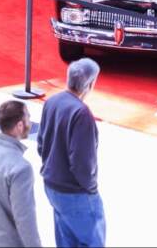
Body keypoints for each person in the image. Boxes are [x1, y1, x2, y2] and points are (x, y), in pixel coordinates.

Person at [38, 58, 104, 248]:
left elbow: (41, 143)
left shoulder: (52, 102)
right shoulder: (81, 113)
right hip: (75, 192)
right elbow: (83, 162)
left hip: (52, 185)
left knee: (65, 240)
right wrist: (90, 188)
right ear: (90, 84)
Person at [0, 100, 41, 247]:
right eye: (28, 117)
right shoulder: (21, 168)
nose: (30, 121)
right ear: (20, 125)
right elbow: (25, 219)